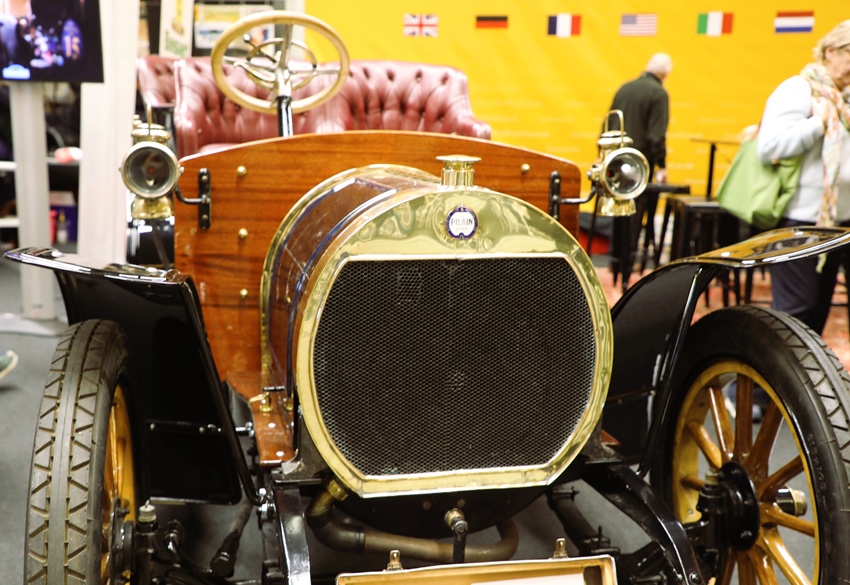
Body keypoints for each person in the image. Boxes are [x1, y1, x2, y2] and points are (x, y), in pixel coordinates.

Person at [757, 20, 850, 335]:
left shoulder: (845, 98)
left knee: (816, 314)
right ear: (831, 51)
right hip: (799, 220)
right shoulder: (798, 89)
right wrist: (816, 123)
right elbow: (769, 147)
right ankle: (762, 369)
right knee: (796, 312)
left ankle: (800, 369)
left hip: (837, 223)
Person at [605, 52, 673, 183]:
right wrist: (662, 166)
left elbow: (608, 124)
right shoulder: (659, 93)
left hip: (614, 161)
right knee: (639, 196)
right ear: (665, 74)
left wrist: (603, 156)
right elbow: (656, 136)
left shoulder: (625, 88)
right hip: (639, 165)